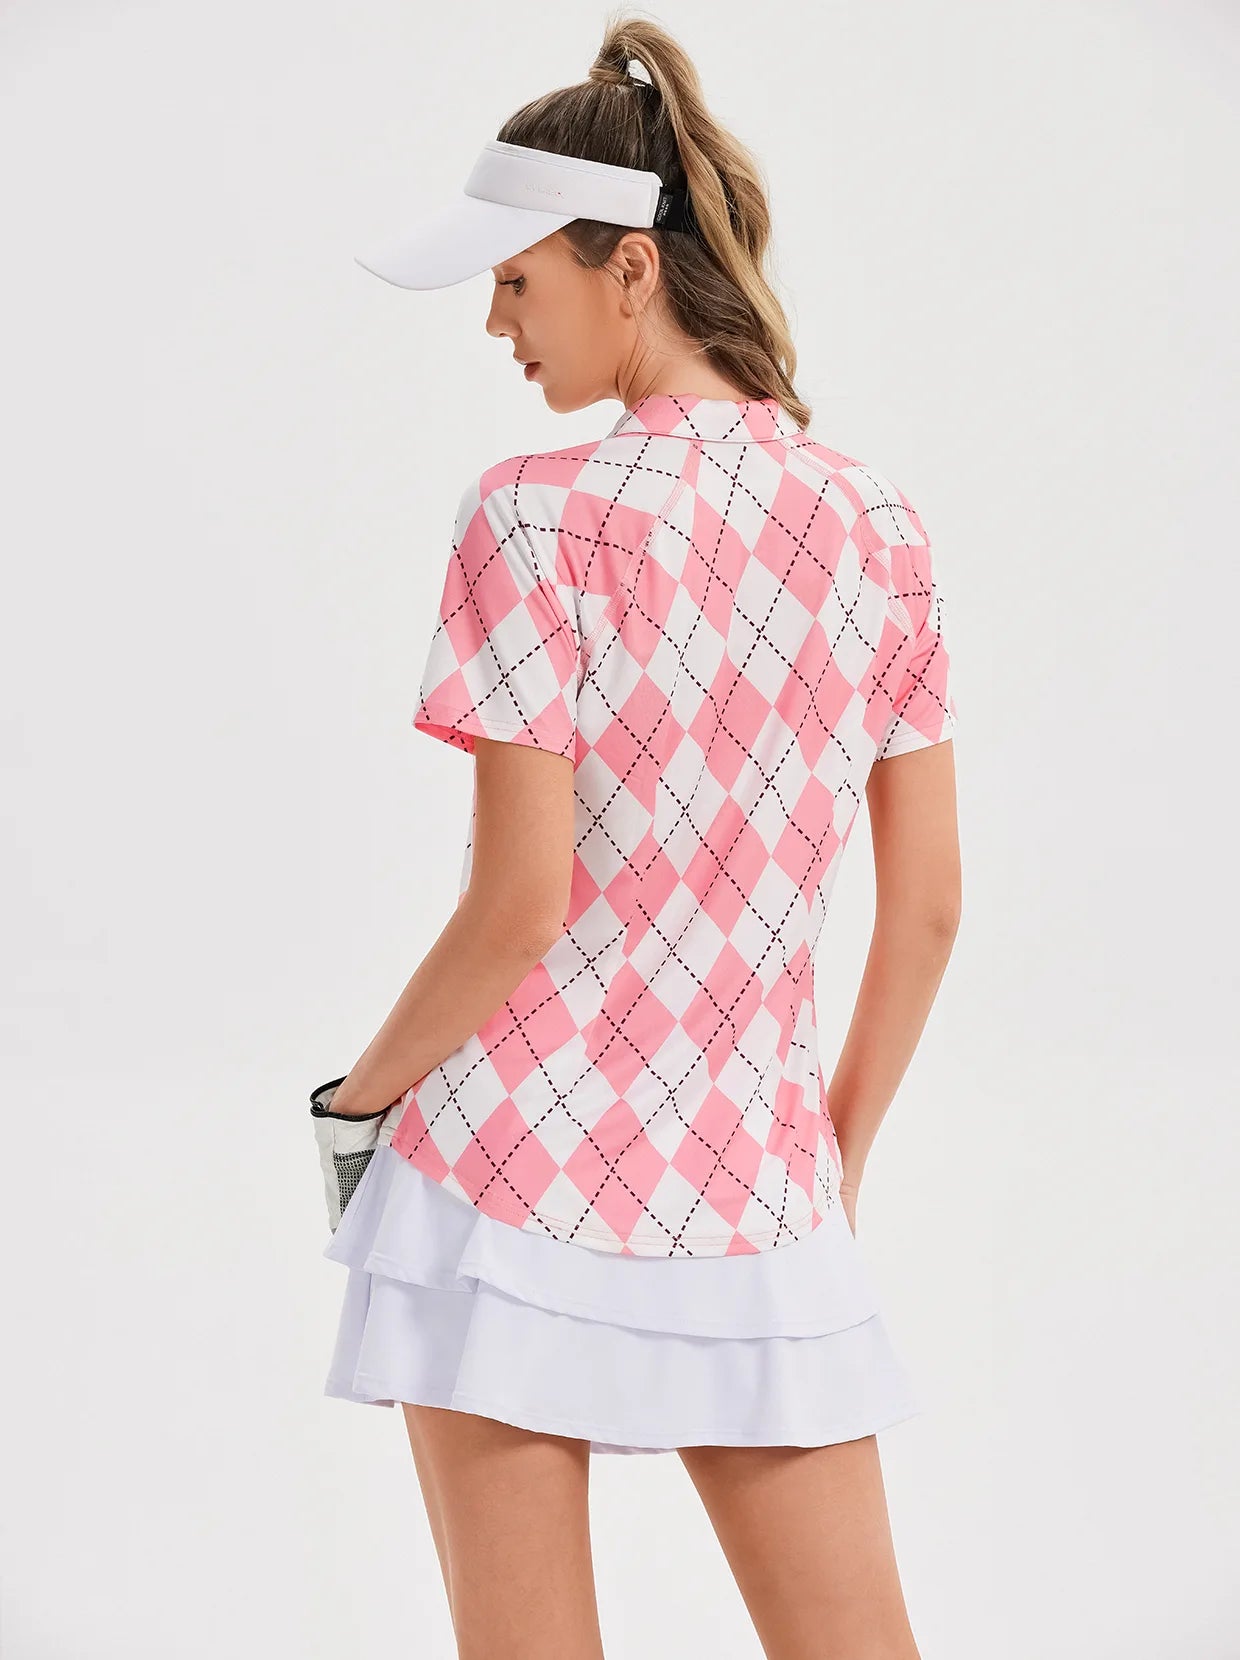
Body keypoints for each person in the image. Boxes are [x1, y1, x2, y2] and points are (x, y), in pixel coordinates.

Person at [321, 15, 960, 1660]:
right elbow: (930, 909)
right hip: (755, 1185)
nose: (494, 323)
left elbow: (523, 904)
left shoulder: (532, 514)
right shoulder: (878, 523)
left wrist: (357, 1102)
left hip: (499, 1177)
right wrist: (827, 1160)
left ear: (630, 267)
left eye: (514, 281)